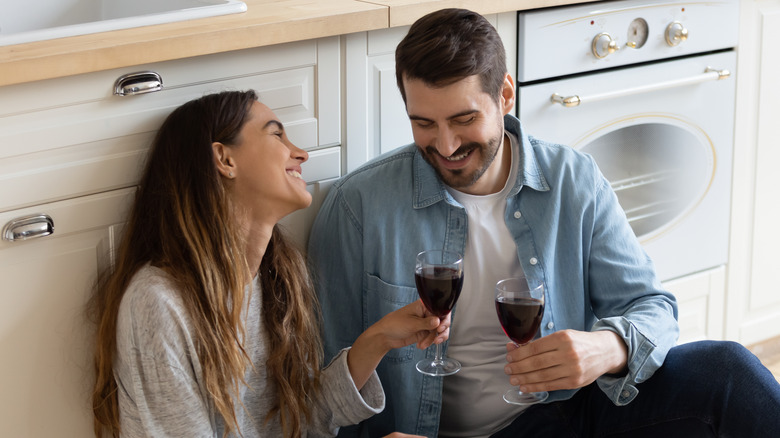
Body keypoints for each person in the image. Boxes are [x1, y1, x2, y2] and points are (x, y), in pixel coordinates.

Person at [307, 8, 780, 438]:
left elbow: (651, 306)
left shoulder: (574, 180)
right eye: (424, 123)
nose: (446, 146)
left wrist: (609, 347)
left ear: (505, 94)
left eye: (464, 118)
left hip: (567, 417)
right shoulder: (359, 207)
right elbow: (320, 386)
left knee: (729, 371)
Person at [88, 90, 448, 438]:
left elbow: (301, 422)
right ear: (225, 159)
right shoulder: (158, 303)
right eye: (277, 134)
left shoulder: (276, 278)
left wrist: (377, 340)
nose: (301, 153)